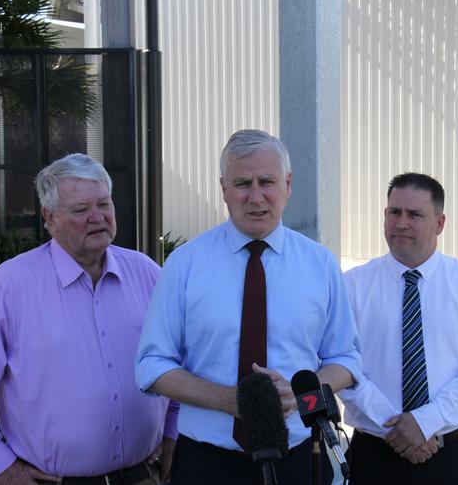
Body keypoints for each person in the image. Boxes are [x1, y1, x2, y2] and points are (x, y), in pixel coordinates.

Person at [0, 154, 179, 485]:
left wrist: (173, 432)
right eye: (80, 210)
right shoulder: (13, 284)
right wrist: (2, 467)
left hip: (145, 476)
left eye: (104, 204)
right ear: (50, 218)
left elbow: (181, 360)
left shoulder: (147, 274)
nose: (97, 217)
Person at [135, 129, 361, 485]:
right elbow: (152, 364)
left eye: (267, 181)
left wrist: (304, 390)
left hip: (298, 461)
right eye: (242, 183)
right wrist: (227, 400)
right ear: (223, 188)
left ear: (288, 184)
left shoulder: (321, 264)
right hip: (207, 464)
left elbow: (346, 359)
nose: (256, 197)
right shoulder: (185, 264)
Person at [339, 172, 458, 485]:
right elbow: (342, 365)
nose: (401, 223)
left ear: (440, 223)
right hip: (373, 456)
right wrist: (398, 428)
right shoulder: (354, 285)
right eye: (394, 212)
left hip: (450, 457)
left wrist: (426, 422)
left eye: (415, 214)